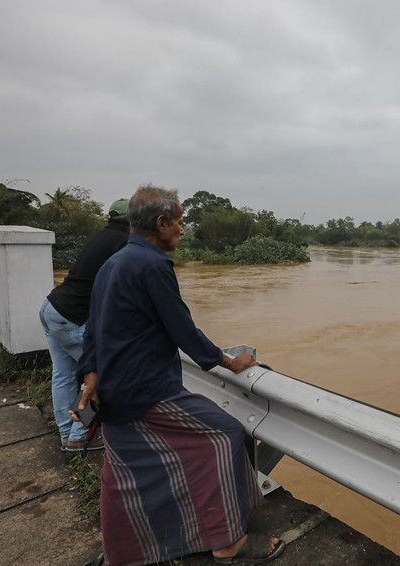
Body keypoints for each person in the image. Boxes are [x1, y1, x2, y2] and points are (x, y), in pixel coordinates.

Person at [73, 185, 284, 565]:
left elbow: (93, 325)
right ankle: (226, 542)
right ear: (161, 223)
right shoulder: (153, 266)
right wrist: (228, 361)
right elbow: (182, 329)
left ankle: (120, 553)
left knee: (124, 473)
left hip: (112, 393)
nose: (182, 229)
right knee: (225, 434)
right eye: (179, 222)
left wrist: (89, 372)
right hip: (145, 390)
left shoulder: (113, 263)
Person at [39, 198, 130, 451]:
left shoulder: (99, 236)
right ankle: (79, 435)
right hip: (73, 317)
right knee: (101, 373)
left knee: (63, 374)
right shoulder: (125, 242)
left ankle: (67, 433)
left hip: (51, 307)